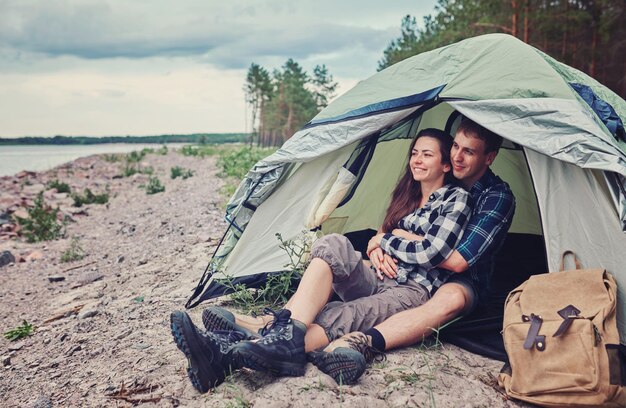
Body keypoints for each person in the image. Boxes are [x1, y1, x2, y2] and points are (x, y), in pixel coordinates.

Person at [170, 127, 476, 392]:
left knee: (340, 314)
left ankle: (223, 356)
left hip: (409, 290)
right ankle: (286, 332)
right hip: (377, 276)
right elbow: (378, 238)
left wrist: (388, 240)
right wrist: (378, 245)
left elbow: (433, 252)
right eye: (414, 153)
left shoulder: (456, 200)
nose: (417, 160)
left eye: (427, 155)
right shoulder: (406, 194)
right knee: (332, 244)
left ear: (446, 165)